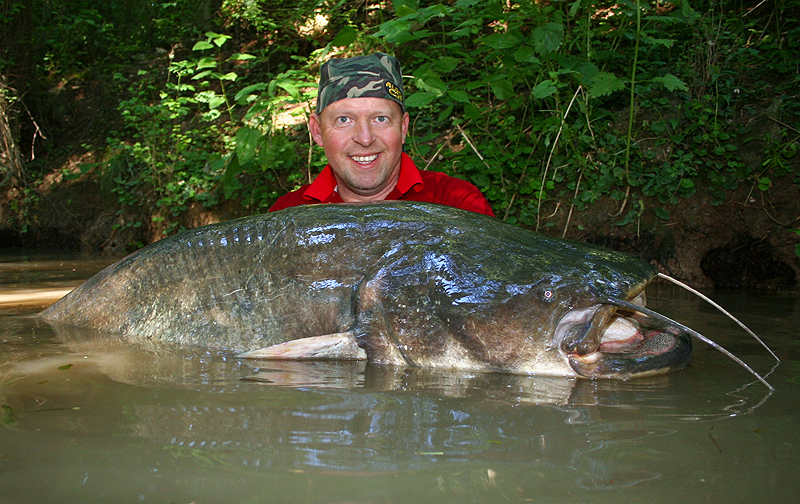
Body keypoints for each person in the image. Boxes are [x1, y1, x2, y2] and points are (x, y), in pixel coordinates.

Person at [268, 53, 494, 216]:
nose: (365, 138)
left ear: (403, 128)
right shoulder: (285, 216)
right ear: (317, 131)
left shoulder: (457, 203)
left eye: (380, 119)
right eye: (344, 120)